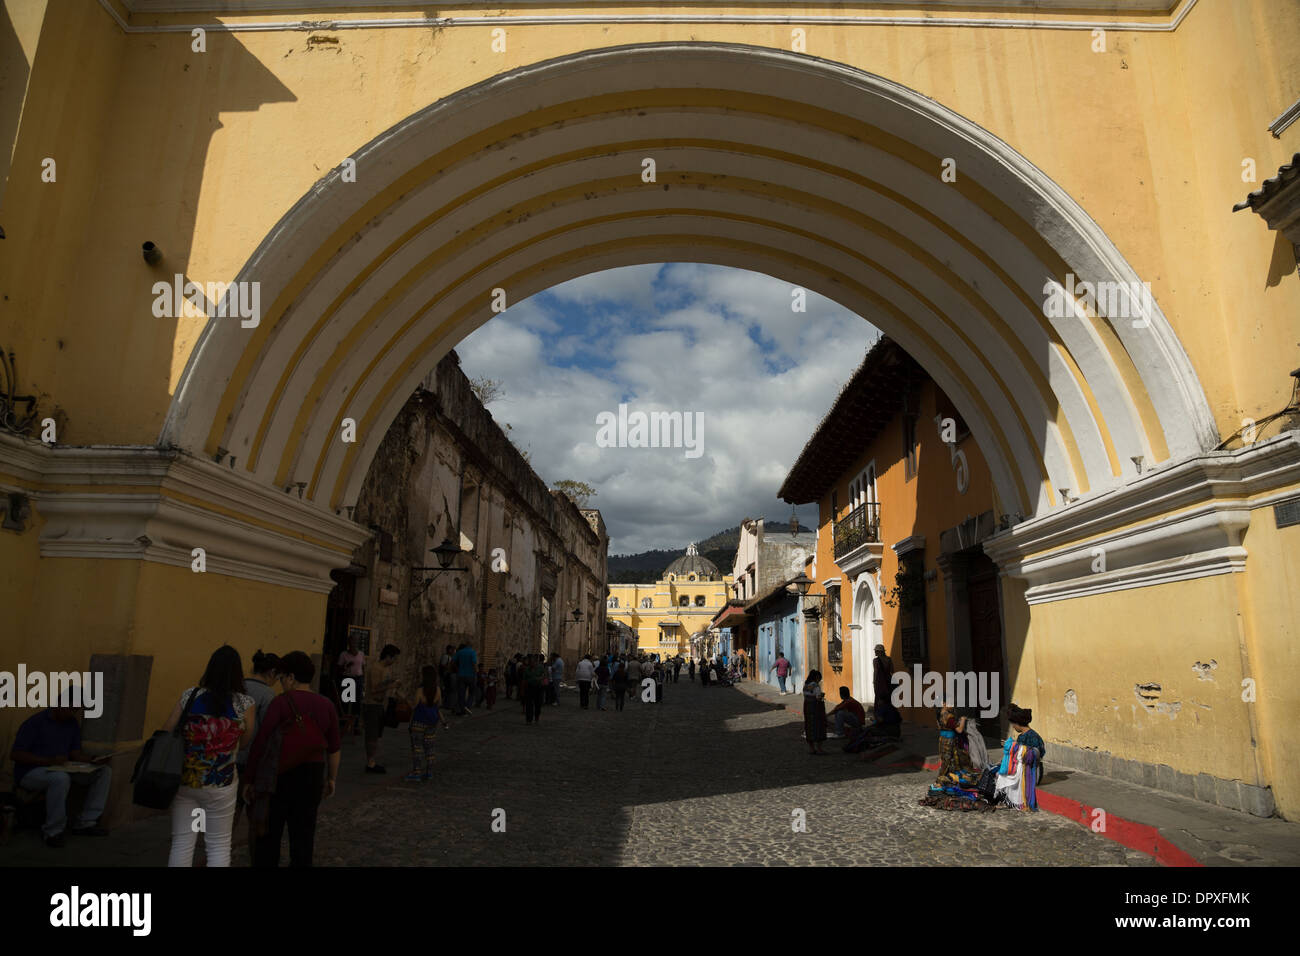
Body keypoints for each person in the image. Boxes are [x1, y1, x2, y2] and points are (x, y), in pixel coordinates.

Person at [244, 651, 341, 866]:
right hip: (312, 776)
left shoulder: (280, 703)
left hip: (279, 776)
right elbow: (334, 748)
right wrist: (331, 778)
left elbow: (261, 742)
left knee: (269, 836)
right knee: (303, 837)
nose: (281, 683)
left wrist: (249, 778)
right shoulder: (327, 705)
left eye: (282, 679)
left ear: (290, 677)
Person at [163, 645, 255, 867]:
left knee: (183, 841)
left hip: (186, 779)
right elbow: (245, 742)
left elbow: (166, 731)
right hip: (221, 783)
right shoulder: (244, 704)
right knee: (218, 844)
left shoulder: (189, 696)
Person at [10, 698, 113, 848]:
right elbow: (16, 755)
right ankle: (53, 832)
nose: (73, 713)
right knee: (60, 779)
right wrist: (48, 760)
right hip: (30, 772)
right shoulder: (35, 722)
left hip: (61, 768)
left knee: (103, 772)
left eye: (76, 710)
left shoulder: (72, 724)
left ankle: (86, 822)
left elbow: (75, 753)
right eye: (70, 709)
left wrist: (93, 759)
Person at [235, 650, 280, 830]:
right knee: (254, 816)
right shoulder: (267, 695)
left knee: (230, 813)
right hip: (250, 759)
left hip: (231, 756)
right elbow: (268, 732)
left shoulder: (238, 686)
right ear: (272, 673)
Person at [404, 666, 449, 782]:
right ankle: (429, 772)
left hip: (419, 722)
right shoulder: (438, 690)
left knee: (417, 747)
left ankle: (417, 772)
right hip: (432, 722)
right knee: (430, 748)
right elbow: (438, 707)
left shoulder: (420, 690)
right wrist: (444, 722)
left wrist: (404, 699)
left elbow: (413, 706)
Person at [364, 643, 400, 773]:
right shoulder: (376, 668)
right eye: (394, 658)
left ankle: (373, 760)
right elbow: (374, 688)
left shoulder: (385, 670)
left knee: (377, 735)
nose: (395, 661)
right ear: (388, 657)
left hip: (380, 705)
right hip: (372, 705)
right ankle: (370, 763)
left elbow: (383, 684)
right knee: (372, 735)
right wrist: (391, 686)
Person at [935, 701, 972, 782]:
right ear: (943, 704)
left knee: (945, 760)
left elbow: (938, 726)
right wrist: (963, 720)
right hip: (949, 741)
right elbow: (959, 730)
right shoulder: (949, 716)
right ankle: (940, 781)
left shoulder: (939, 714)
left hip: (942, 739)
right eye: (950, 703)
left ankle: (945, 780)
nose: (953, 706)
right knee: (948, 762)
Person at [336, 635, 365, 735]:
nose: (354, 643)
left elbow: (363, 667)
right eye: (352, 641)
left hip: (358, 679)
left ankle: (355, 726)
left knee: (357, 703)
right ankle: (344, 725)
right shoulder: (344, 654)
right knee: (346, 702)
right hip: (347, 678)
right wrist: (346, 666)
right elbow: (338, 669)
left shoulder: (361, 654)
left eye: (356, 641)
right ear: (349, 643)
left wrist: (363, 680)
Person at [803, 669, 828, 755]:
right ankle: (819, 748)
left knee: (809, 726)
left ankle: (811, 748)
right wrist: (822, 695)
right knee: (819, 726)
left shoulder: (806, 685)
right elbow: (818, 697)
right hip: (816, 708)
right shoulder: (816, 686)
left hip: (807, 707)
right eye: (819, 678)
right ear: (817, 677)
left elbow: (806, 695)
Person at [454, 642, 477, 715]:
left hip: (461, 675)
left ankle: (462, 710)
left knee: (461, 694)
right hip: (470, 676)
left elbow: (453, 661)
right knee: (471, 693)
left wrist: (457, 669)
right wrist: (475, 673)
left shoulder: (460, 652)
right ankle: (467, 706)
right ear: (470, 646)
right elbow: (474, 663)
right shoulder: (472, 652)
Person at [523, 655, 547, 724]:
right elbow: (524, 679)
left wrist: (540, 678)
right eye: (530, 661)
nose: (531, 663)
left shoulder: (540, 668)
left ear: (536, 662)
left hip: (538, 688)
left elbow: (544, 675)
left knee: (538, 704)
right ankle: (529, 719)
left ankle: (536, 717)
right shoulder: (527, 669)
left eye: (532, 661)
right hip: (529, 688)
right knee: (529, 704)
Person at [872, 644, 894, 719]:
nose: (875, 652)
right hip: (888, 682)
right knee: (888, 700)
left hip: (879, 682)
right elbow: (892, 671)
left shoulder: (875, 661)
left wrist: (874, 683)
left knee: (878, 700)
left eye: (876, 651)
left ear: (879, 652)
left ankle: (878, 717)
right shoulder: (889, 659)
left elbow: (876, 672)